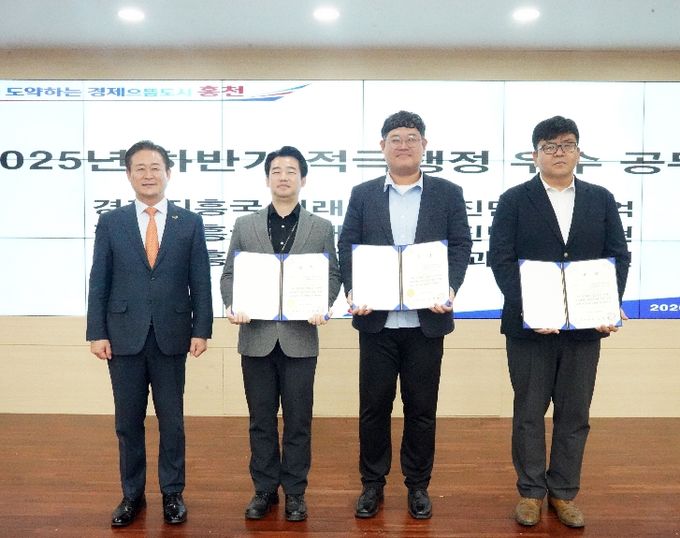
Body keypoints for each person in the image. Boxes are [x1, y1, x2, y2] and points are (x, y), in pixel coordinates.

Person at [488, 116, 630, 528]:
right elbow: (500, 259)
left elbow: (618, 256)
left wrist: (607, 305)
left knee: (575, 413)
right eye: (549, 146)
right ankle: (531, 492)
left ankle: (564, 492)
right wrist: (531, 309)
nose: (559, 152)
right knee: (529, 412)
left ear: (579, 152)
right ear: (535, 155)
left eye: (567, 144)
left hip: (584, 329)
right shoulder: (514, 200)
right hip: (530, 329)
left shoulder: (600, 199)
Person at [337, 111, 472, 519]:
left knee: (421, 410)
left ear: (424, 145)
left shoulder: (447, 193)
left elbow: (460, 245)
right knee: (373, 409)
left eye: (412, 137)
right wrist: (354, 291)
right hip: (376, 323)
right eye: (395, 138)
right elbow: (348, 246)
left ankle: (418, 485)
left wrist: (449, 288)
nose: (403, 145)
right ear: (382, 146)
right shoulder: (363, 194)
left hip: (425, 324)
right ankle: (372, 484)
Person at [86, 140, 213, 527]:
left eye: (155, 167)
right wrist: (96, 331)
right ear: (129, 175)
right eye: (139, 168)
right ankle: (132, 495)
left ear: (168, 173)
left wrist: (202, 328)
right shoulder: (112, 222)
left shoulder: (189, 222)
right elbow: (99, 281)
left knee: (172, 421)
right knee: (127, 422)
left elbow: (200, 281)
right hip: (123, 336)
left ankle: (173, 494)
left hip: (172, 334)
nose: (148, 174)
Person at [220, 145, 341, 522]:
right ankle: (264, 489)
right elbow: (229, 274)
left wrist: (324, 304)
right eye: (276, 171)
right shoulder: (246, 225)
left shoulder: (321, 227)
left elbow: (332, 274)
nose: (283, 177)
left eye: (291, 171)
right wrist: (232, 304)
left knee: (298, 421)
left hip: (300, 338)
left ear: (303, 179)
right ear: (267, 179)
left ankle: (296, 493)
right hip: (255, 336)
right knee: (260, 419)